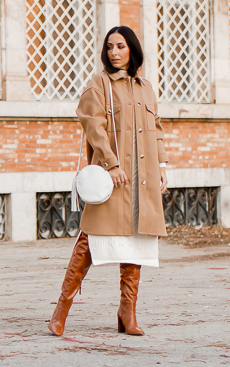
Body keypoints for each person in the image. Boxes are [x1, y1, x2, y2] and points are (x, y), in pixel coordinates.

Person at [48, 26, 169, 337]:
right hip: (112, 178)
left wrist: (162, 165)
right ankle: (61, 309)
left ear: (132, 50)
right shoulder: (100, 83)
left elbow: (156, 129)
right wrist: (111, 163)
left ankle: (127, 312)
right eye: (110, 47)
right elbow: (93, 124)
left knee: (136, 244)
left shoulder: (146, 88)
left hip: (141, 180)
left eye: (121, 46)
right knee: (89, 241)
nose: (114, 52)